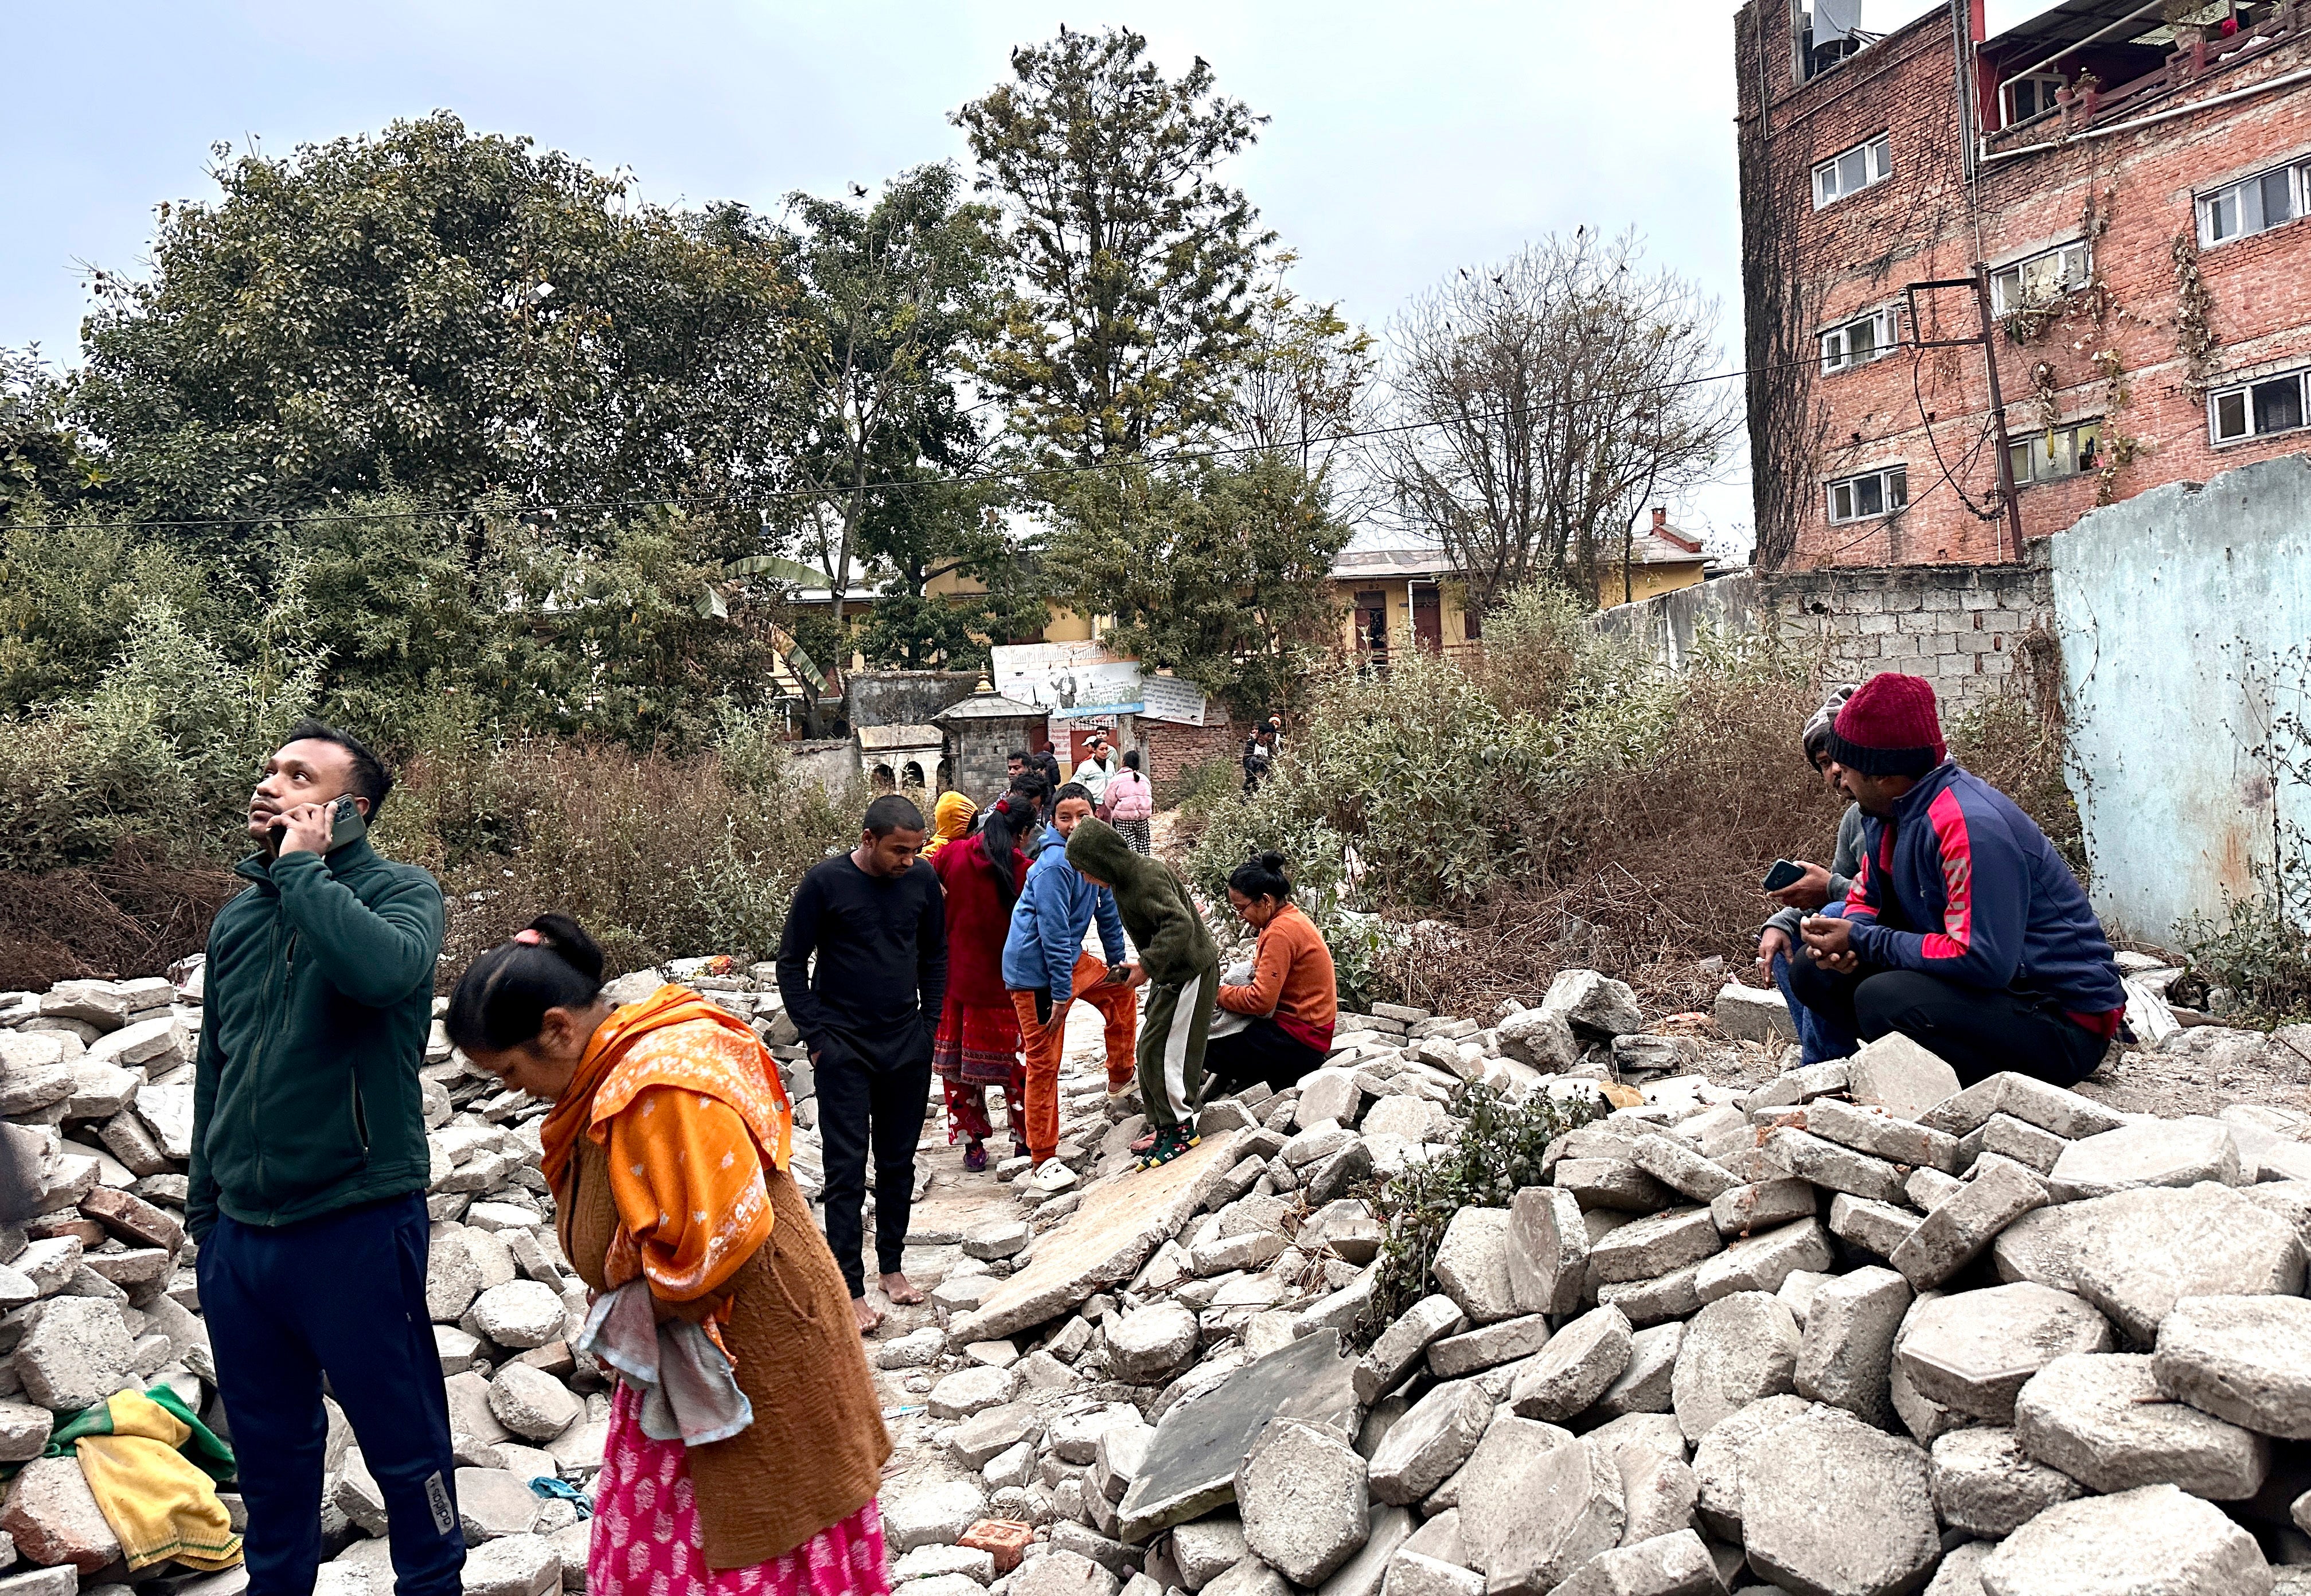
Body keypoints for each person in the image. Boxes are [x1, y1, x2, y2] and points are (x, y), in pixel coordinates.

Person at [446, 918, 890, 1596]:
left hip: (754, 1353)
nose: (513, 1089)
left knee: (749, 1538)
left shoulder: (660, 1085)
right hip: (686, 1359)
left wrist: (618, 1315)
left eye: (511, 1069)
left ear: (559, 1028)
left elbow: (712, 1249)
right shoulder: (615, 1067)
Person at [189, 721, 464, 1596]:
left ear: (350, 807)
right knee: (270, 1456)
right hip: (244, 1240)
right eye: (270, 768)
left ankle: (434, 1579)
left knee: (403, 1438)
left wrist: (304, 867)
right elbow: (215, 1069)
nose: (271, 782)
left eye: (297, 774)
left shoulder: (402, 893)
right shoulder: (241, 916)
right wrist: (207, 1214)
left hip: (355, 1220)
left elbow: (384, 974)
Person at [1783, 673, 2127, 1086]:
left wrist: (1863, 941)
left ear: (1883, 776)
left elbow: (1982, 960)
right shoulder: (1885, 815)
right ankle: (1849, 1079)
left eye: (1849, 768)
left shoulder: (1968, 824)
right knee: (1815, 971)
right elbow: (1866, 899)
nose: (1842, 778)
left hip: (2062, 1018)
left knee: (1883, 1001)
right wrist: (1850, 939)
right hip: (1996, 993)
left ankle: (1966, 1092)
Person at [775, 794, 948, 1332]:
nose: (908, 860)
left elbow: (935, 955)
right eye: (899, 850)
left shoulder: (921, 882)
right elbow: (790, 962)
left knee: (898, 1163)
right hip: (844, 1048)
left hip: (905, 1044)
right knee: (845, 1170)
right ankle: (848, 1286)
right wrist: (818, 1035)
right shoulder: (825, 883)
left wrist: (928, 1029)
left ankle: (891, 1269)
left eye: (915, 850)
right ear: (869, 840)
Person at [1004, 786, 1142, 1177]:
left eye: (1083, 815)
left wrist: (1118, 962)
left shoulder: (1093, 856)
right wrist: (1062, 995)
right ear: (1052, 821)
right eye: (1066, 817)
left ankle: (1121, 1080)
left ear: (1096, 815)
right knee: (1045, 1060)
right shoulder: (1052, 866)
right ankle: (1043, 1158)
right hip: (1036, 972)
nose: (1075, 824)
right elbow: (1050, 933)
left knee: (1121, 990)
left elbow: (1108, 912)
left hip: (1068, 957)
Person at [1064, 817, 1219, 1167]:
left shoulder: (1144, 877)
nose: (1086, 879)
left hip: (1191, 972)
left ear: (1101, 860)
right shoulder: (1123, 882)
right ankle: (1163, 1125)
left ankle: (1182, 1129)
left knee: (1170, 1052)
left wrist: (1147, 966)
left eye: (1086, 871)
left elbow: (1179, 923)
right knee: (1149, 1048)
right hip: (1172, 974)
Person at [1756, 688, 1863, 1064]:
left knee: (1829, 916)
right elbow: (1844, 885)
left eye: (1841, 757)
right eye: (1824, 762)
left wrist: (1829, 888)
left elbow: (1886, 894)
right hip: (1863, 931)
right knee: (1785, 940)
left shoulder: (1904, 812)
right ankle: (1826, 1064)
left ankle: (1820, 1073)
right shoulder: (1855, 821)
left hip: (1896, 939)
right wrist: (1778, 922)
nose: (1835, 770)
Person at [930, 791, 1035, 1173]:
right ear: (1022, 834)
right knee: (1017, 1070)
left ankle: (972, 1144)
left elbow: (924, 888)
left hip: (955, 982)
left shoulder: (948, 856)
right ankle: (1025, 1139)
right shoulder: (1022, 867)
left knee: (959, 1072)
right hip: (1006, 987)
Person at [1204, 852, 1338, 1098]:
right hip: (1308, 1031)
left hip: (1301, 1043)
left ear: (1265, 901)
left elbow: (1260, 1001)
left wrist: (1216, 993)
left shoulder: (1281, 932)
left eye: (1241, 908)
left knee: (1198, 1046)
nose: (1239, 916)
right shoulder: (1289, 917)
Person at [1106, 751, 1155, 854]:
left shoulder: (1117, 780)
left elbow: (1109, 800)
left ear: (1124, 762)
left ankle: (1132, 868)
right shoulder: (1144, 779)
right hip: (1142, 819)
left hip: (1124, 820)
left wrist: (1114, 810)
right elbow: (1149, 796)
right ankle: (1144, 867)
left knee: (1128, 847)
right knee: (1143, 844)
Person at [923, 791, 975, 860]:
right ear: (956, 827)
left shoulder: (957, 847)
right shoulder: (935, 851)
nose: (973, 834)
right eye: (970, 829)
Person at [1073, 739, 1117, 809]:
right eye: (1102, 749)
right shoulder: (1086, 765)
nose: (1105, 752)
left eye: (1106, 749)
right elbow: (1075, 783)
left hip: (1109, 805)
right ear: (1094, 750)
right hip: (1093, 804)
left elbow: (1114, 783)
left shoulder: (1110, 764)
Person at [1242, 727, 1276, 796]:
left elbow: (1273, 760)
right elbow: (1246, 760)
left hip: (1267, 777)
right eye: (1268, 736)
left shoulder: (1269, 747)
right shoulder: (1252, 744)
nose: (1270, 738)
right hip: (1254, 776)